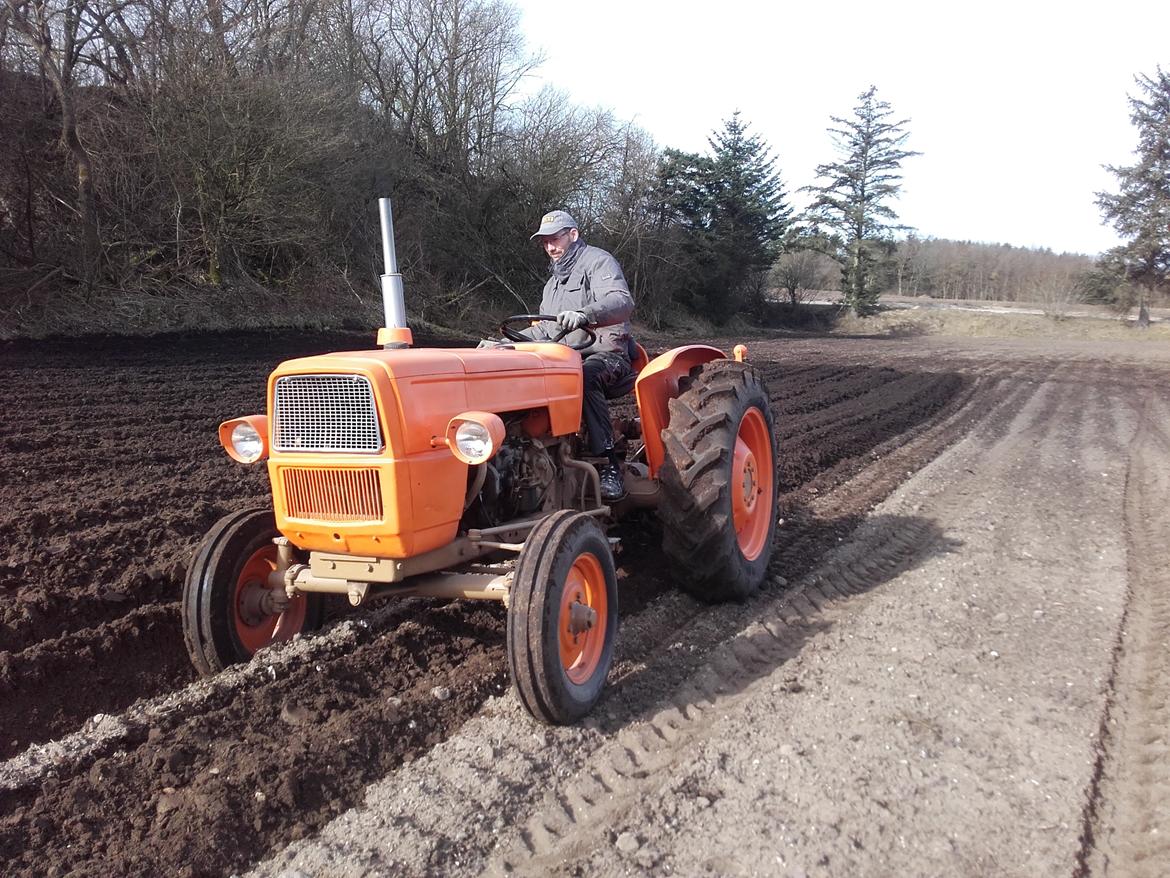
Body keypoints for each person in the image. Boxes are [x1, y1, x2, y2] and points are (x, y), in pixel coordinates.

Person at [521, 210, 636, 501]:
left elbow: (621, 300)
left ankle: (608, 463)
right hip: (565, 357)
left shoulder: (598, 261)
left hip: (605, 354)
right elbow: (545, 329)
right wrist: (502, 343)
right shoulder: (553, 284)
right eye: (545, 242)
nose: (550, 247)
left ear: (573, 234)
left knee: (583, 376)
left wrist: (585, 313)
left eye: (555, 239)